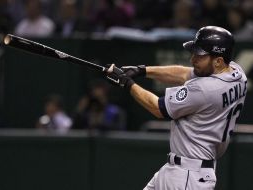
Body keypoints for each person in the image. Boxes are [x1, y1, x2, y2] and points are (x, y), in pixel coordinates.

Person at [105, 26, 247, 189]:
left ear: (218, 61)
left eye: (200, 55)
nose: (193, 59)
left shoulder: (205, 89)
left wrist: (126, 83)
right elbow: (184, 74)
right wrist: (142, 70)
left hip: (187, 174)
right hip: (183, 169)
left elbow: (158, 108)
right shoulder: (237, 73)